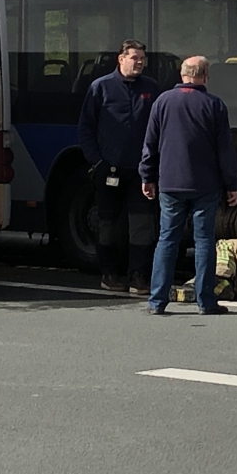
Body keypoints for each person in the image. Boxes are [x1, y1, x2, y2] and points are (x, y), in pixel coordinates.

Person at [140, 56, 237, 316]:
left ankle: (157, 301)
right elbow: (224, 151)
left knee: (167, 240)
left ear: (182, 74)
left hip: (170, 183)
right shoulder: (214, 105)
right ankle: (206, 301)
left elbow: (150, 143)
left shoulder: (162, 102)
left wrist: (147, 176)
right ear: (205, 76)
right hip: (205, 184)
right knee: (204, 240)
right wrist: (232, 184)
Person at [77, 39, 159, 294]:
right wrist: (98, 162)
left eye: (142, 59)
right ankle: (110, 274)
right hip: (109, 171)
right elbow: (86, 128)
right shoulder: (100, 88)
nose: (139, 63)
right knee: (108, 225)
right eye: (134, 58)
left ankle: (139, 276)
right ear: (120, 59)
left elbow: (159, 128)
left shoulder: (151, 88)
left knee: (142, 227)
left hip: (141, 172)